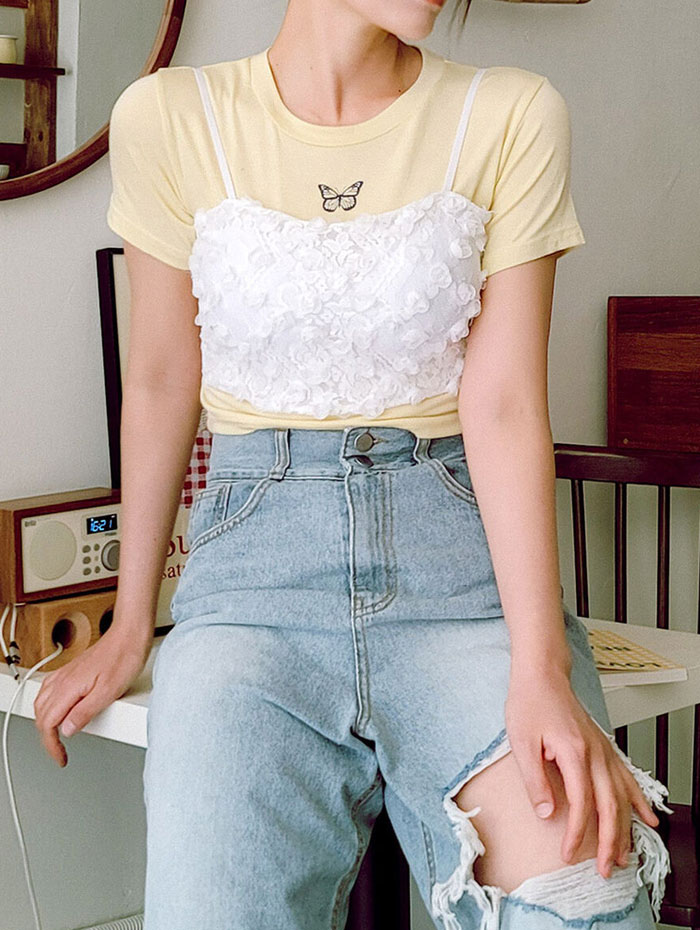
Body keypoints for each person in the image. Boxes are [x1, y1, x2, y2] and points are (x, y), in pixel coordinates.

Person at [33, 1, 672, 928]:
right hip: (252, 587)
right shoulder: (168, 115)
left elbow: (502, 405)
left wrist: (541, 667)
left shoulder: (511, 112)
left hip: (464, 580)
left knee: (582, 897)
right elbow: (164, 379)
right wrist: (132, 622)